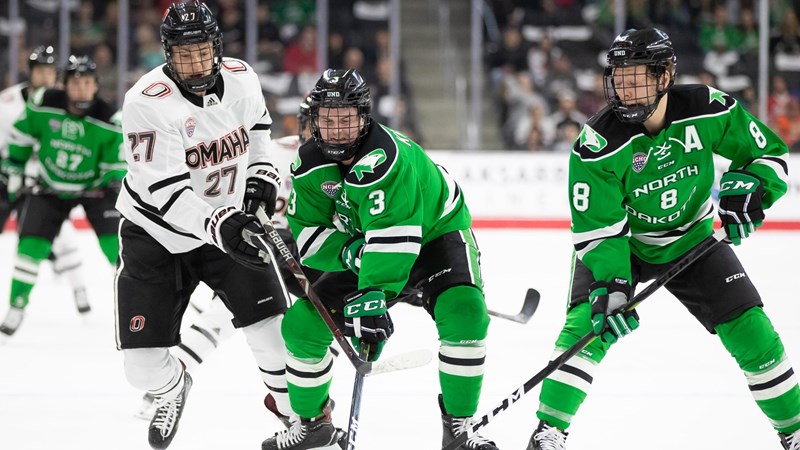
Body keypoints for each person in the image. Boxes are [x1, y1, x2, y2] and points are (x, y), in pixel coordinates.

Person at [528, 28, 800, 450]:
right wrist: (615, 286)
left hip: (693, 239)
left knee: (752, 329)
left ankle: (795, 431)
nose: (624, 88)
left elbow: (769, 155)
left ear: (664, 75)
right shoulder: (596, 145)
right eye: (618, 77)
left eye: (635, 77)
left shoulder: (707, 108)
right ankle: (549, 430)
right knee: (587, 327)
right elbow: (598, 230)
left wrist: (754, 188)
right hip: (624, 246)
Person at [261, 68, 499, 450]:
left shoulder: (385, 157)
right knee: (302, 326)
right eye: (327, 119)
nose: (336, 129)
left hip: (436, 234)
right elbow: (307, 234)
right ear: (314, 120)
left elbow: (397, 237)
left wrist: (372, 298)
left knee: (465, 312)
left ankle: (459, 426)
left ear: (364, 117)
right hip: (370, 247)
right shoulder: (307, 166)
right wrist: (349, 252)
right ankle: (313, 423)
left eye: (346, 119)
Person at [115, 2, 298, 448]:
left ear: (216, 47)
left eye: (201, 52)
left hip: (229, 223)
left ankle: (303, 422)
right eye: (183, 54)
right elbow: (166, 193)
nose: (194, 64)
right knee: (140, 368)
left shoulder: (242, 77)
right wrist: (222, 223)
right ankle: (173, 386)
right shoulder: (145, 102)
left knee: (273, 336)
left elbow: (258, 135)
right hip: (156, 236)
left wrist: (262, 178)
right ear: (166, 54)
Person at [0, 53, 123, 338]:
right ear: (65, 85)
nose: (81, 88)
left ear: (96, 86)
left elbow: (118, 161)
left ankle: (138, 304)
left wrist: (113, 181)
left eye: (88, 82)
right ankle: (16, 307)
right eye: (75, 82)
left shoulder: (108, 118)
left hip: (93, 190)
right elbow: (20, 138)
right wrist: (14, 168)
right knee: (29, 250)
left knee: (119, 250)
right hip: (49, 188)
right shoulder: (43, 105)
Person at [0, 45, 90, 320]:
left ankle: (79, 289)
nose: (46, 76)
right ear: (31, 72)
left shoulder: (67, 103)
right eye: (40, 70)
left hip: (44, 182)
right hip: (9, 179)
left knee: (62, 236)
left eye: (50, 71)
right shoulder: (7, 102)